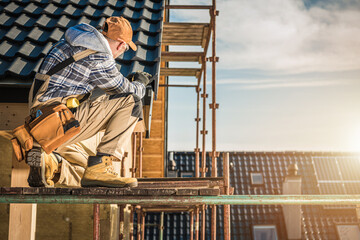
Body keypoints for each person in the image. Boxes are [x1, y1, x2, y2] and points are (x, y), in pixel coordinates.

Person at [26, 16, 152, 188]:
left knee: (83, 168)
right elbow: (124, 89)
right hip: (60, 120)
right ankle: (100, 166)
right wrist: (141, 84)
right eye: (123, 49)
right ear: (122, 44)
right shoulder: (98, 55)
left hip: (41, 119)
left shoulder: (70, 42)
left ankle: (51, 163)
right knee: (132, 102)